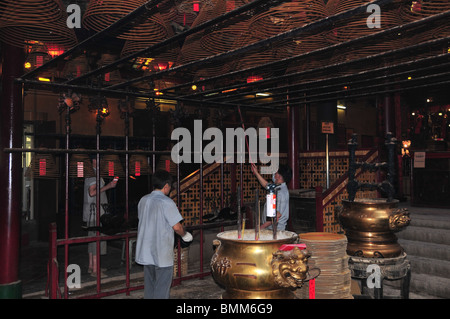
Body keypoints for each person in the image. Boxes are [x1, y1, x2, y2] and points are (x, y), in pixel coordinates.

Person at [135, 169, 193, 299]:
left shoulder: (143, 200)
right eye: (170, 187)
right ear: (166, 186)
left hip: (146, 251)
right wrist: (185, 235)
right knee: (162, 288)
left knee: (150, 287)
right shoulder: (167, 202)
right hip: (161, 253)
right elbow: (177, 227)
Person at [83, 155, 118, 277]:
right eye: (100, 159)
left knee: (92, 239)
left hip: (94, 212)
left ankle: (92, 266)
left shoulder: (94, 173)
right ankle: (95, 270)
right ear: (94, 160)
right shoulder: (92, 174)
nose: (102, 161)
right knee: (97, 240)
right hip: (96, 212)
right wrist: (109, 186)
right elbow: (92, 192)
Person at [251, 163, 292, 231]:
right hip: (271, 229)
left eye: (276, 172)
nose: (274, 174)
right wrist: (256, 172)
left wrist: (260, 228)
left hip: (275, 230)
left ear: (279, 176)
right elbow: (266, 185)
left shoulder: (280, 193)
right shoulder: (278, 187)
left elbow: (276, 215)